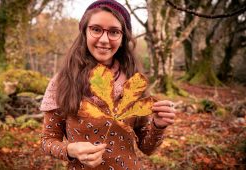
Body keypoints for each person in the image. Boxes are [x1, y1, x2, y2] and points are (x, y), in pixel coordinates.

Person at [40, 0, 176, 169]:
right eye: (96, 29)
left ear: (123, 37)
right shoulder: (62, 82)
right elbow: (47, 141)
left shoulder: (134, 82)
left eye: (114, 32)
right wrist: (70, 150)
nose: (104, 39)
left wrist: (158, 125)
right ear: (84, 32)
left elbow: (147, 148)